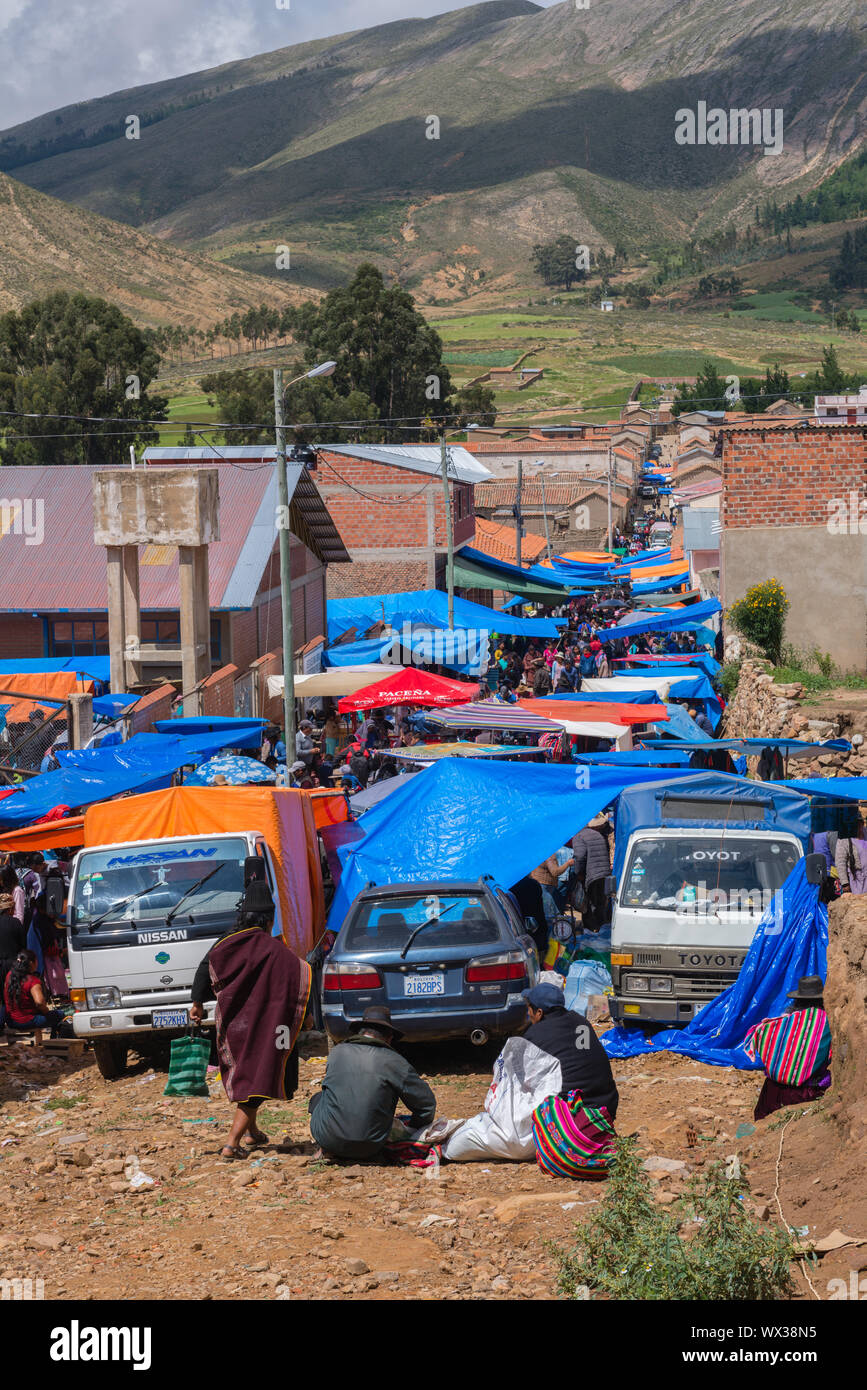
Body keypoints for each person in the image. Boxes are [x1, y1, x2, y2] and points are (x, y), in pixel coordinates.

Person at [189, 880, 311, 1160]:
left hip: (233, 1025)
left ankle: (251, 1132)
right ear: (269, 920)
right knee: (258, 1077)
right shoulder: (272, 947)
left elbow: (204, 968)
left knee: (247, 1075)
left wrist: (197, 1003)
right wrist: (306, 1015)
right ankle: (231, 1144)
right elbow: (299, 972)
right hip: (265, 1025)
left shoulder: (227, 942)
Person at [309, 1006, 436, 1160]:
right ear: (389, 1038)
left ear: (360, 1032)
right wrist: (414, 1128)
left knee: (318, 1098)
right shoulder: (395, 1061)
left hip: (328, 1139)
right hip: (371, 1145)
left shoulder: (337, 1052)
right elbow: (426, 1106)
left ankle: (326, 1149)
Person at [522, 984, 618, 1179]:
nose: (528, 1014)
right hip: (606, 1109)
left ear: (539, 1012)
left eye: (529, 1009)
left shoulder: (535, 1035)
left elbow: (522, 1080)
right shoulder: (580, 1021)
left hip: (574, 1115)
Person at [744, 976, 832, 1122]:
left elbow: (761, 1032)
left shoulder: (785, 1022)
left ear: (798, 999)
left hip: (776, 1091)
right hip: (808, 1091)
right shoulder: (827, 1022)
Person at [3, 949, 64, 1040]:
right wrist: (46, 1012)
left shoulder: (9, 975)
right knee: (60, 1014)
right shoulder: (33, 981)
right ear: (31, 963)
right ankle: (54, 1040)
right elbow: (39, 1002)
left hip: (11, 1021)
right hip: (28, 1021)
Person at [571, 811, 613, 932]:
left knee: (588, 905)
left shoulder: (579, 836)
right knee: (601, 903)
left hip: (591, 875)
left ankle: (592, 930)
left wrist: (578, 873)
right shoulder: (597, 834)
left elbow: (579, 857)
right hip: (603, 873)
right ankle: (601, 929)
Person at [835, 819, 867, 894]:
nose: (859, 828)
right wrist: (845, 883)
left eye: (860, 825)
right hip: (858, 879)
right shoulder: (844, 838)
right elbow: (840, 862)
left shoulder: (865, 832)